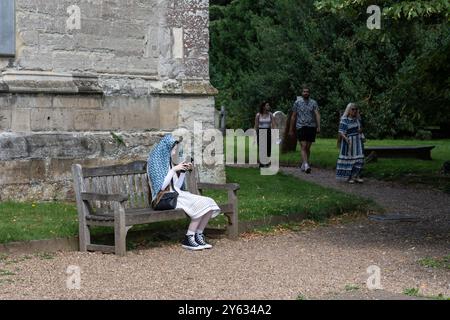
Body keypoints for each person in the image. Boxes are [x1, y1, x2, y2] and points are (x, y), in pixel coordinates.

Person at [147, 135, 221, 251]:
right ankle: (189, 238)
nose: (175, 151)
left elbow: (176, 186)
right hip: (163, 199)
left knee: (208, 202)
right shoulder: (155, 164)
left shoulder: (170, 163)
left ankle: (198, 234)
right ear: (167, 149)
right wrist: (173, 170)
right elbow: (161, 187)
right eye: (174, 149)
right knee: (199, 205)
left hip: (176, 195)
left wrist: (182, 171)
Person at [289, 87, 321, 174]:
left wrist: (319, 126)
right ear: (302, 93)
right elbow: (293, 116)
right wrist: (291, 129)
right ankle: (307, 165)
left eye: (307, 92)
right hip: (301, 126)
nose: (306, 93)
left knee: (308, 147)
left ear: (309, 93)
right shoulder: (297, 102)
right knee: (303, 146)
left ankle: (304, 163)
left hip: (311, 126)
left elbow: (317, 114)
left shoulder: (313, 102)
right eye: (304, 92)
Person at [336, 103, 365, 184]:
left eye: (356, 109)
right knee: (349, 159)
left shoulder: (358, 119)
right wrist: (346, 138)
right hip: (349, 142)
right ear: (348, 110)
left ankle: (356, 176)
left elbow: (360, 129)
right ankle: (349, 177)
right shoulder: (344, 119)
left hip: (357, 141)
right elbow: (341, 132)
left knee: (360, 159)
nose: (354, 111)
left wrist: (360, 131)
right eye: (353, 109)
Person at [254, 101, 275, 168]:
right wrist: (255, 134)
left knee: (268, 147)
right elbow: (256, 125)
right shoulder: (258, 115)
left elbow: (273, 124)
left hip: (268, 131)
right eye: (267, 105)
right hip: (261, 131)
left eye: (268, 105)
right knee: (262, 147)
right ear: (263, 107)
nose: (268, 106)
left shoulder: (270, 114)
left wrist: (274, 132)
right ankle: (262, 163)